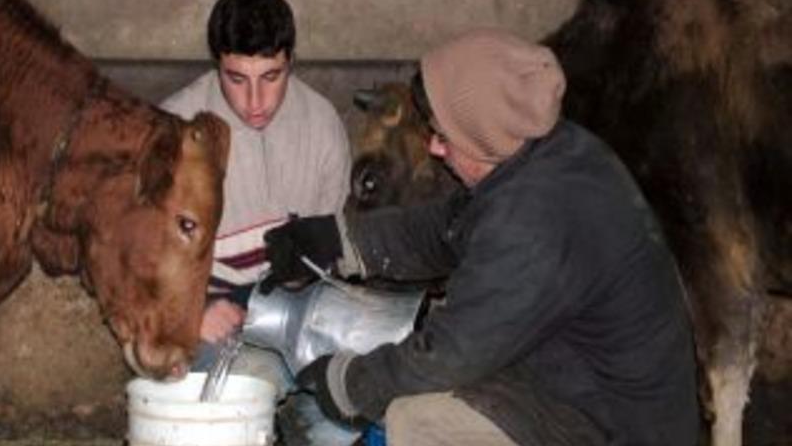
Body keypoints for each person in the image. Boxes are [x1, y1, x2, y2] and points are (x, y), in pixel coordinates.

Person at [262, 28, 700, 445]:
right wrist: (335, 242)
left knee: (419, 420)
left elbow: (450, 353)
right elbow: (447, 228)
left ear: (484, 136)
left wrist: (348, 385)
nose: (434, 148)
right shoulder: (548, 152)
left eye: (441, 136)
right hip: (579, 385)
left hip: (613, 428)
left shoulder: (534, 220)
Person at [160, 0, 353, 443]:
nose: (255, 103)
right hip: (209, 322)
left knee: (342, 423)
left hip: (298, 317)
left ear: (290, 61)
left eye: (271, 77)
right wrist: (191, 313)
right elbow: (134, 266)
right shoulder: (172, 133)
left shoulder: (322, 126)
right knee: (242, 395)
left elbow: (331, 263)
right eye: (236, 78)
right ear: (216, 65)